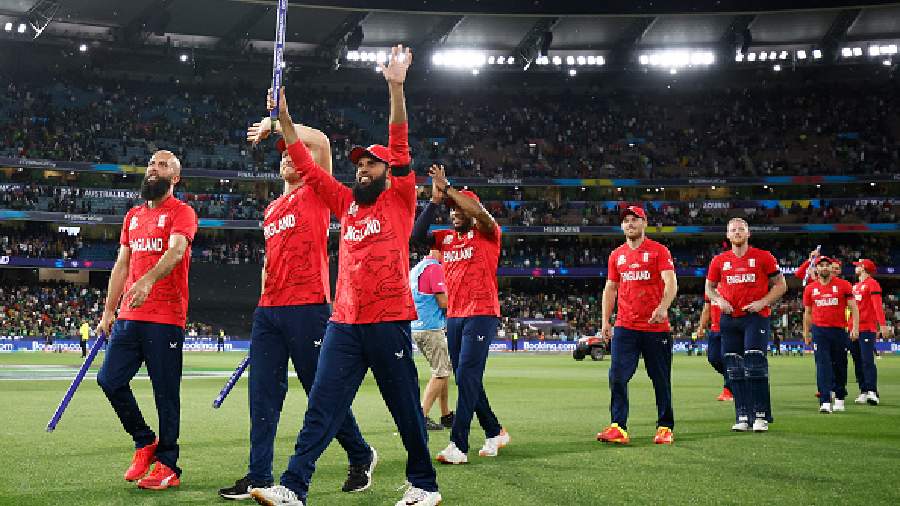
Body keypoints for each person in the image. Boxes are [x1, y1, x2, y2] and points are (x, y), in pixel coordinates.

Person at [250, 45, 442, 506]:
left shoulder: (400, 198)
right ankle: (293, 487)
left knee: (404, 409)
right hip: (344, 322)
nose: (362, 168)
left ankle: (424, 485)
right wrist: (284, 116)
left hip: (388, 319)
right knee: (321, 406)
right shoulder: (345, 204)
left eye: (370, 163)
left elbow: (399, 138)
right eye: (358, 164)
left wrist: (395, 87)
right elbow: (305, 162)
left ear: (388, 172)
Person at [217, 122, 375, 500]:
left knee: (320, 392)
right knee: (262, 396)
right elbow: (268, 263)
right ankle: (259, 476)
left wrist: (276, 125)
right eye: (283, 154)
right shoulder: (271, 209)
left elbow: (320, 141)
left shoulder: (316, 190)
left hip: (308, 306)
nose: (288, 155)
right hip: (270, 310)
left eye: (293, 152)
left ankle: (360, 453)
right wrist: (262, 307)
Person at [95, 149, 198, 490]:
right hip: (129, 315)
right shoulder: (133, 216)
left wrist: (148, 280)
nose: (154, 168)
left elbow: (177, 250)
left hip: (165, 316)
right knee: (109, 380)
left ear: (175, 177)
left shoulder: (182, 212)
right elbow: (121, 264)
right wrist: (108, 310)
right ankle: (144, 440)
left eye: (162, 165)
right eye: (152, 163)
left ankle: (168, 465)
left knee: (165, 393)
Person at [413, 165, 509, 464]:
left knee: (466, 375)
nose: (454, 213)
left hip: (482, 313)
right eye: (451, 209)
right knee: (468, 378)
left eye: (459, 209)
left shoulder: (488, 233)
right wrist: (435, 200)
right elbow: (416, 235)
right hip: (454, 316)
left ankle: (458, 444)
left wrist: (449, 189)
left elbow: (479, 212)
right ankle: (494, 431)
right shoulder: (445, 238)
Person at [597, 205, 678, 445]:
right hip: (625, 326)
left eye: (635, 219)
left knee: (660, 379)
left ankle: (665, 426)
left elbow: (671, 282)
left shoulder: (659, 251)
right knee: (617, 376)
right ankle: (618, 427)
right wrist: (605, 320)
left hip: (655, 327)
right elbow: (610, 288)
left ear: (645, 223)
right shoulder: (616, 255)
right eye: (626, 220)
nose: (630, 223)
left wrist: (663, 307)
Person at [706, 218, 786, 433]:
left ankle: (760, 415)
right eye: (733, 230)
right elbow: (709, 288)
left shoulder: (763, 257)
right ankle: (742, 415)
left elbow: (781, 285)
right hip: (729, 318)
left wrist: (763, 302)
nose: (737, 232)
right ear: (727, 235)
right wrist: (719, 300)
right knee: (734, 367)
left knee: (754, 362)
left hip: (755, 317)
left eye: (741, 229)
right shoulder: (719, 261)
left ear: (748, 233)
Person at [803, 257, 859, 413]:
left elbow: (854, 308)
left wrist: (855, 327)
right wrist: (806, 333)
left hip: (839, 330)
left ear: (831, 268)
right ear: (817, 269)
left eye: (827, 265)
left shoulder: (844, 285)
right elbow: (807, 312)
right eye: (821, 265)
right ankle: (825, 401)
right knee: (822, 365)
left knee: (840, 365)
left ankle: (839, 397)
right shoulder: (810, 289)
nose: (824, 268)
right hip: (819, 331)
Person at [409, 246, 455, 431]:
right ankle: (421, 416)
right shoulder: (435, 267)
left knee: (443, 369)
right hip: (431, 327)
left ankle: (446, 415)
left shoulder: (417, 268)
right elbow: (443, 302)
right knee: (441, 372)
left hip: (417, 325)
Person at [850, 259, 891, 405]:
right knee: (858, 361)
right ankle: (863, 390)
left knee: (867, 361)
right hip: (854, 329)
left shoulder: (872, 284)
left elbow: (877, 305)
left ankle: (872, 391)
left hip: (867, 328)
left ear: (864, 268)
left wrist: (883, 325)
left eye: (858, 266)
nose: (855, 268)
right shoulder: (855, 286)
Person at [698, 294, 733, 401]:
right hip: (715, 329)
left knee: (726, 359)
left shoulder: (729, 286)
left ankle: (728, 391)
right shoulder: (709, 289)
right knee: (713, 359)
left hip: (729, 327)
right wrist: (701, 327)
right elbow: (706, 309)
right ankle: (736, 378)